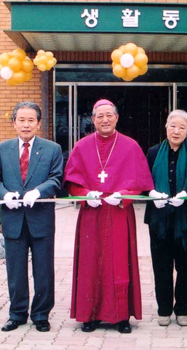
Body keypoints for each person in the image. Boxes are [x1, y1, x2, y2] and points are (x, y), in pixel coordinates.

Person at [64, 99, 154, 334]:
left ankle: (121, 316)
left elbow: (139, 182)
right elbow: (72, 181)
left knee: (119, 263)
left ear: (116, 118)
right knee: (90, 264)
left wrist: (123, 194)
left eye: (109, 115)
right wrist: (85, 194)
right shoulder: (82, 146)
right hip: (91, 214)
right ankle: (89, 315)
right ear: (92, 120)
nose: (104, 119)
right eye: (99, 116)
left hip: (117, 213)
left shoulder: (130, 145)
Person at [0, 101, 63, 333]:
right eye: (21, 119)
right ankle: (17, 313)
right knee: (15, 270)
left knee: (43, 269)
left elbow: (56, 179)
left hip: (40, 218)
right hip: (13, 219)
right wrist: (4, 194)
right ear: (14, 123)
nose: (26, 124)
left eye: (31, 120)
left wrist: (39, 191)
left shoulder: (52, 149)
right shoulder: (2, 149)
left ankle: (41, 314)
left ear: (39, 123)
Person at [144, 110, 187, 327]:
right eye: (173, 126)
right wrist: (152, 195)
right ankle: (164, 309)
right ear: (166, 127)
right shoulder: (153, 152)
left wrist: (185, 194)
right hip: (160, 220)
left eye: (181, 127)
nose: (176, 131)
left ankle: (182, 309)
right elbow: (144, 182)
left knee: (186, 267)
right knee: (162, 267)